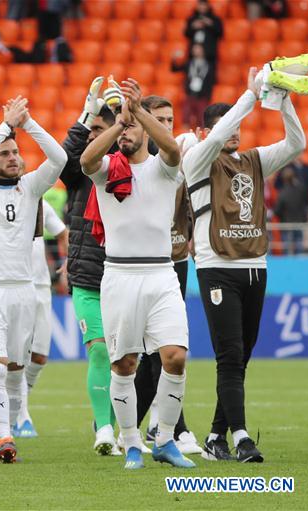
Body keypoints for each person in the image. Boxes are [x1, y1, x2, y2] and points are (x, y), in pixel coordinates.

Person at [182, 65, 308, 463]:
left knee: (241, 356)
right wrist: (251, 96)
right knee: (231, 355)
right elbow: (220, 134)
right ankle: (241, 438)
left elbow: (296, 143)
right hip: (215, 266)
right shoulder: (198, 160)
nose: (234, 131)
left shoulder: (253, 161)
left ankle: (216, 435)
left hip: (256, 266)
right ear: (205, 132)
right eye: (225, 125)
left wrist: (282, 101)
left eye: (237, 124)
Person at [80, 78, 194, 470]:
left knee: (175, 356)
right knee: (124, 364)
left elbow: (174, 147)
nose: (125, 134)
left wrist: (139, 111)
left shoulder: (164, 171)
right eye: (121, 129)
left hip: (161, 275)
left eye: (131, 128)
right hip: (120, 276)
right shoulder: (108, 169)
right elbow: (84, 161)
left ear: (146, 129)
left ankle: (163, 438)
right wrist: (118, 121)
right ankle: (130, 443)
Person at [0, 96, 66, 464]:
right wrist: (6, 126)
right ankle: (2, 437)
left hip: (23, 292)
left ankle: (15, 419)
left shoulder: (31, 188)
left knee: (16, 370)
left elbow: (60, 159)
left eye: (15, 153)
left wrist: (28, 124)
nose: (12, 157)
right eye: (4, 153)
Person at [127, 95, 202, 456]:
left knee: (164, 350)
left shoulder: (179, 159)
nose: (167, 126)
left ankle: (147, 425)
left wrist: (194, 238)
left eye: (170, 119)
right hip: (133, 267)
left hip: (174, 260)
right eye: (159, 119)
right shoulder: (139, 163)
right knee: (145, 353)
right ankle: (169, 428)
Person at [58, 77, 122, 455]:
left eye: (101, 129)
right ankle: (103, 430)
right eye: (91, 130)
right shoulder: (79, 172)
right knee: (99, 351)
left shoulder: (127, 166)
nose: (92, 137)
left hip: (125, 273)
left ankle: (120, 428)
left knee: (125, 359)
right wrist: (86, 113)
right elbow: (64, 160)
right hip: (86, 276)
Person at [12, 201, 67, 438]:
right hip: (14, 284)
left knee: (40, 355)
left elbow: (62, 233)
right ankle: (22, 415)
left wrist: (67, 263)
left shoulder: (38, 202)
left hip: (42, 285)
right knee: (18, 355)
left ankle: (17, 405)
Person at [173, 44, 216, 129]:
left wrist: (208, 95)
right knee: (186, 117)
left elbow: (211, 80)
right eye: (195, 49)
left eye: (199, 49)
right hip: (190, 94)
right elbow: (175, 69)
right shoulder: (189, 63)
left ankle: (202, 137)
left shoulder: (208, 65)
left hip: (202, 95)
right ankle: (184, 135)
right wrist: (175, 58)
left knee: (202, 118)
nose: (197, 51)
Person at [274, 166, 308, 254]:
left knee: (287, 249)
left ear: (283, 179)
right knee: (299, 247)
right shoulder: (301, 190)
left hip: (286, 224)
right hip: (299, 223)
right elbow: (306, 204)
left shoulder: (282, 193)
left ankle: (287, 266)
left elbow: (277, 211)